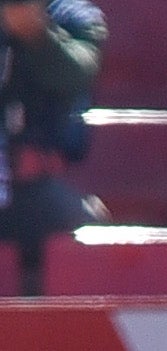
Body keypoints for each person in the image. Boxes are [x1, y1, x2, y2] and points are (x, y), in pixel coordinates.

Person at [0, 0, 104, 266]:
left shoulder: (71, 16)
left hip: (31, 189)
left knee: (92, 243)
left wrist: (35, 33)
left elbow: (76, 72)